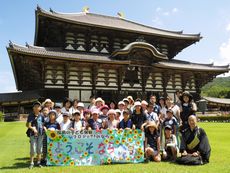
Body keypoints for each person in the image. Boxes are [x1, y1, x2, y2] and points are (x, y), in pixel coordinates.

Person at [26, 101, 44, 169]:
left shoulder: (41, 115)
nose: (37, 108)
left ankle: (38, 162)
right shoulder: (31, 115)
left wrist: (43, 127)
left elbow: (42, 123)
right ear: (33, 108)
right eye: (35, 106)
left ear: (40, 108)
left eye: (38, 106)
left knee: (39, 149)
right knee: (33, 149)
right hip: (33, 134)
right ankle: (31, 163)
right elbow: (27, 125)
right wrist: (33, 128)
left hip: (40, 134)